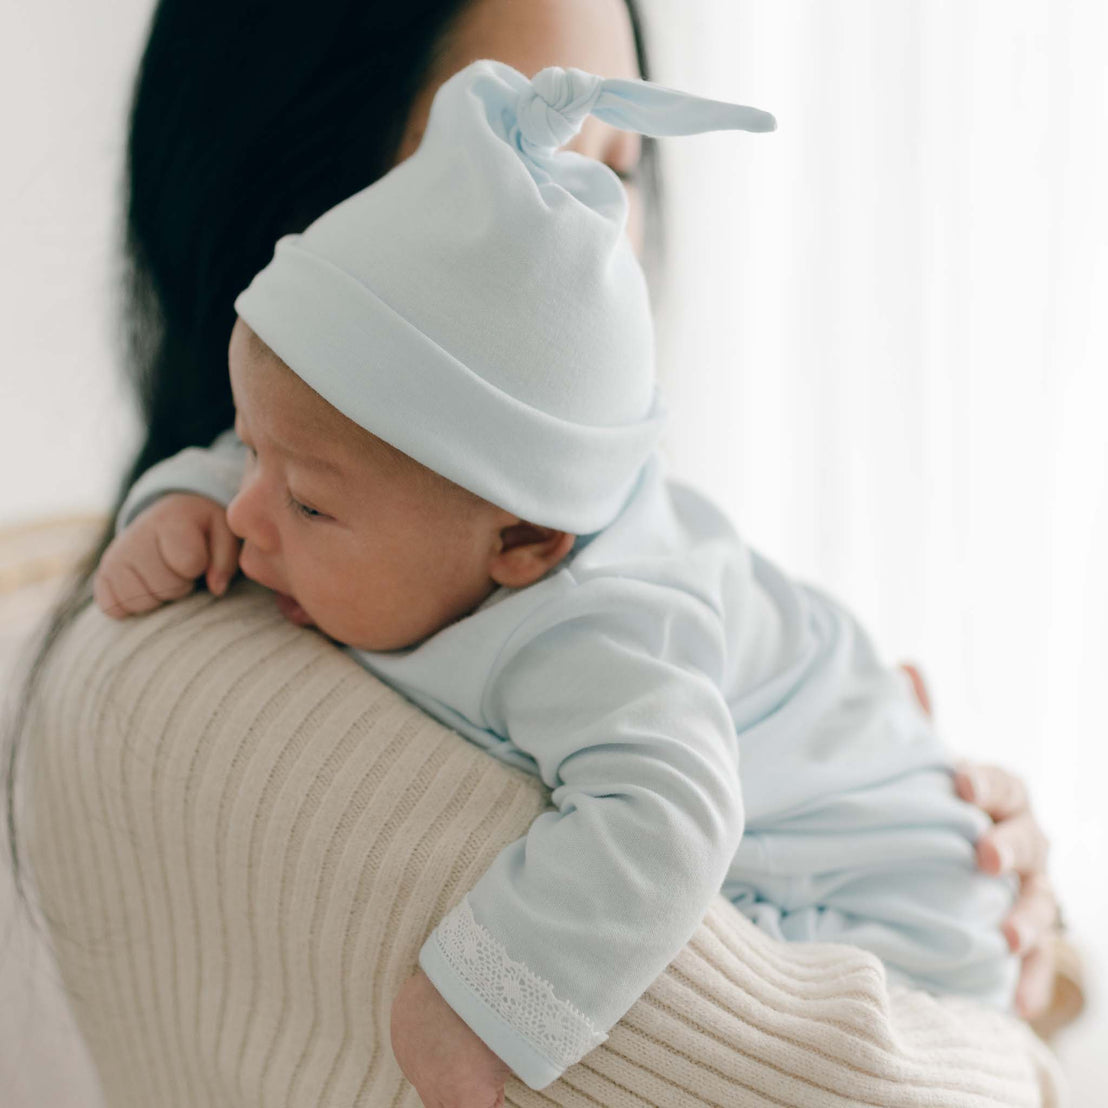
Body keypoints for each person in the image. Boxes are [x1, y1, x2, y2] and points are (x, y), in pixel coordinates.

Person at [3, 0, 1065, 1093]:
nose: (582, 240)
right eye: (514, 158)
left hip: (884, 893)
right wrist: (179, 502)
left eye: (616, 171)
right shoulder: (277, 603)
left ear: (522, 538)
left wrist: (493, 997)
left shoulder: (585, 623)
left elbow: (667, 811)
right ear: (295, 183)